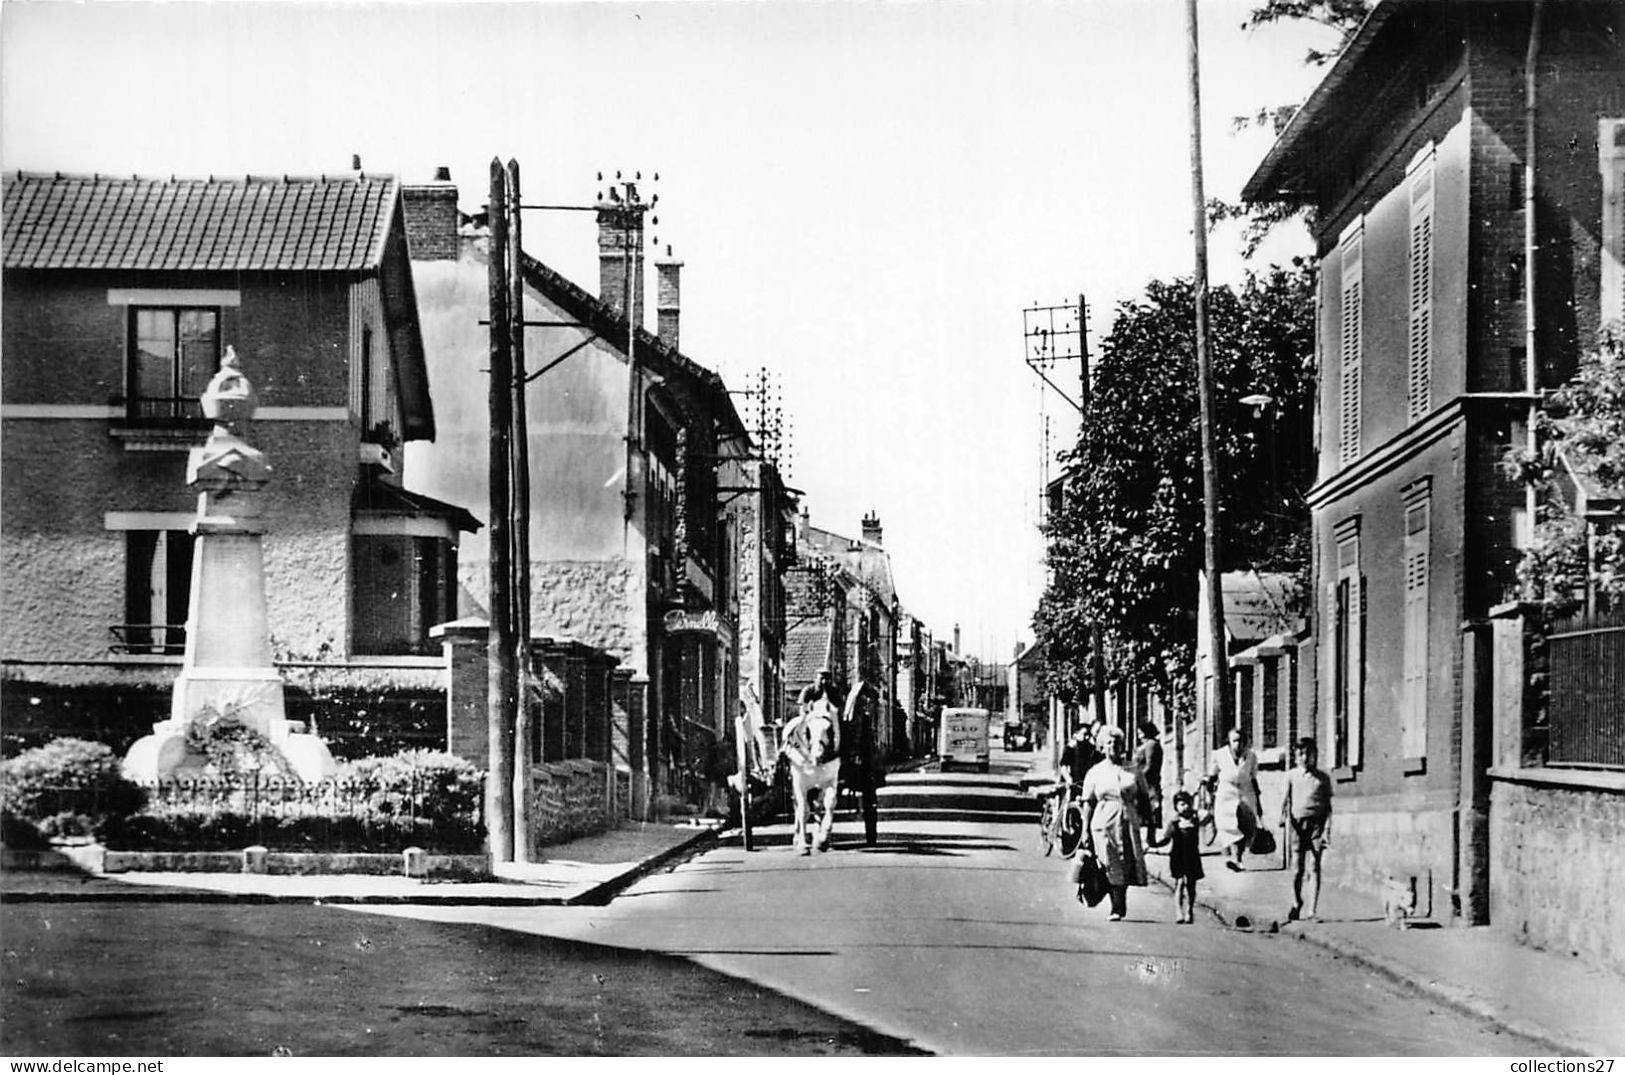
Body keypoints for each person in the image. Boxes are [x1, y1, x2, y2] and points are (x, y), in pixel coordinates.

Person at [1079, 725, 1152, 922]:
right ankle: (1116, 906)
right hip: (1103, 822)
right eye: (1109, 743)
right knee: (1109, 863)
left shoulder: (1133, 769)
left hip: (1128, 820)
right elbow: (1088, 803)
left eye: (1117, 743)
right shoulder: (1095, 772)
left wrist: (1149, 826)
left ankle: (1120, 899)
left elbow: (1144, 798)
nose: (1113, 747)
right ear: (1102, 747)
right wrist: (1085, 830)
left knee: (1126, 862)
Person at [1281, 737, 1333, 921]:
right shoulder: (1291, 775)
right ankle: (1296, 902)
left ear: (1315, 755)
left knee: (1314, 866)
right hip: (1297, 825)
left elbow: (1328, 806)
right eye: (1301, 754)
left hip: (1317, 825)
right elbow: (1285, 800)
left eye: (1309, 753)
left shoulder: (1323, 778)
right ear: (1296, 757)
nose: (1305, 757)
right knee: (1297, 868)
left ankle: (1312, 910)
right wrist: (1282, 818)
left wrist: (1327, 830)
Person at [1204, 726, 1263, 871]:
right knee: (1228, 824)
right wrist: (1209, 793)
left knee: (1244, 824)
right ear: (1229, 741)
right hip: (1226, 792)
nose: (1239, 744)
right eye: (1235, 740)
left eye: (1242, 741)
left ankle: (1238, 859)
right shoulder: (1219, 754)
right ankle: (1233, 856)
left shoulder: (1251, 756)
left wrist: (1259, 801)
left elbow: (1253, 778)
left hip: (1245, 791)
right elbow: (1212, 776)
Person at [1147, 789, 1208, 924]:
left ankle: (1190, 910)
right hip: (1177, 856)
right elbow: (1166, 839)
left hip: (1192, 856)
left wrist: (1197, 811)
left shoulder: (1195, 820)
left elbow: (1208, 816)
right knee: (1179, 883)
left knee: (1191, 884)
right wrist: (1154, 845)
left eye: (1187, 804)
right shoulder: (1174, 823)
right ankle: (1179, 911)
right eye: (1181, 804)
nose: (1185, 807)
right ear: (1176, 807)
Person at [840, 677, 881, 846]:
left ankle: (871, 835)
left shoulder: (866, 718)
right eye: (863, 700)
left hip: (864, 762)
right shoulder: (849, 716)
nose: (865, 704)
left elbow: (869, 742)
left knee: (870, 795)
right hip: (851, 756)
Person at [1133, 719, 1164, 837]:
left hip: (1149, 782)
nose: (1139, 735)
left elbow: (1150, 765)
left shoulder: (1152, 745)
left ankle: (1150, 839)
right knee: (1143, 810)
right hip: (1142, 782)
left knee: (1151, 810)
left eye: (1140, 732)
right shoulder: (1143, 745)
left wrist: (1139, 777)